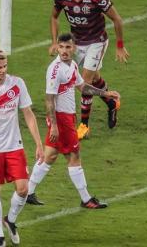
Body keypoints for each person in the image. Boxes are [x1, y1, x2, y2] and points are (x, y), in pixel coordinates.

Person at [26, 33, 120, 207]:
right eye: (61, 47)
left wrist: (106, 93)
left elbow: (82, 86)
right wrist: (54, 125)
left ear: (74, 48)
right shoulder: (55, 70)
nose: (64, 51)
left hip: (67, 117)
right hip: (61, 119)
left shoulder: (73, 65)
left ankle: (27, 192)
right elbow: (49, 99)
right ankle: (86, 199)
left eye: (68, 47)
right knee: (74, 157)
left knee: (51, 155)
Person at [0, 49, 44, 247]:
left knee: (23, 188)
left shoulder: (17, 83)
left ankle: (10, 220)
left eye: (5, 66)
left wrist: (38, 143)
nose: (3, 70)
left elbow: (28, 114)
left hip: (14, 146)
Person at [49, 0, 129, 139]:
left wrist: (120, 45)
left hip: (97, 42)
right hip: (76, 43)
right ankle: (111, 102)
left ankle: (84, 126)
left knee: (83, 82)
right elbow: (54, 17)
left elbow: (117, 19)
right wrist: (54, 42)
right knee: (94, 79)